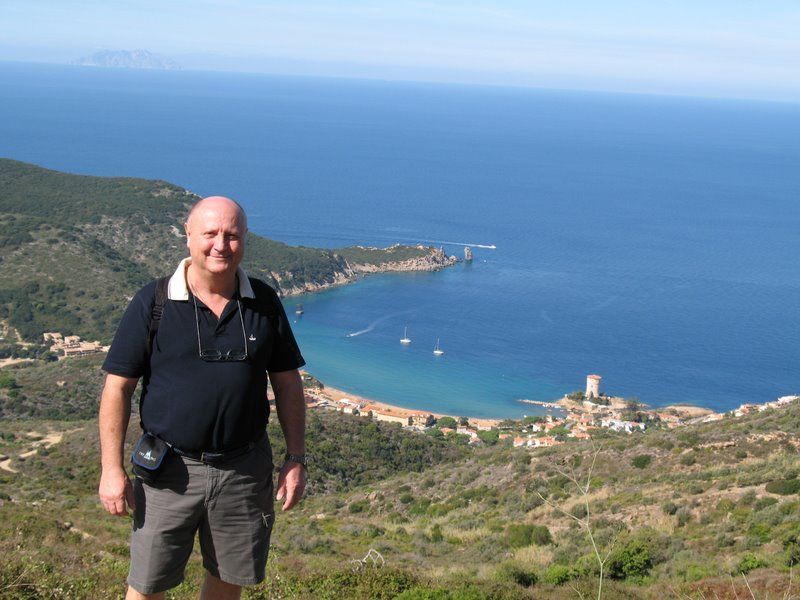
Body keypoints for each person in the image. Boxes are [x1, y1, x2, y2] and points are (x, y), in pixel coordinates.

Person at [98, 196, 308, 600]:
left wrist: (295, 458)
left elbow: (287, 384)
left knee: (228, 582)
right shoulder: (154, 301)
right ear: (188, 235)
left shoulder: (263, 302)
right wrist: (111, 469)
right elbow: (117, 388)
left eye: (232, 235)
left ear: (245, 239)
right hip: (168, 472)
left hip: (244, 471)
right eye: (210, 233)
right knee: (146, 586)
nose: (221, 245)